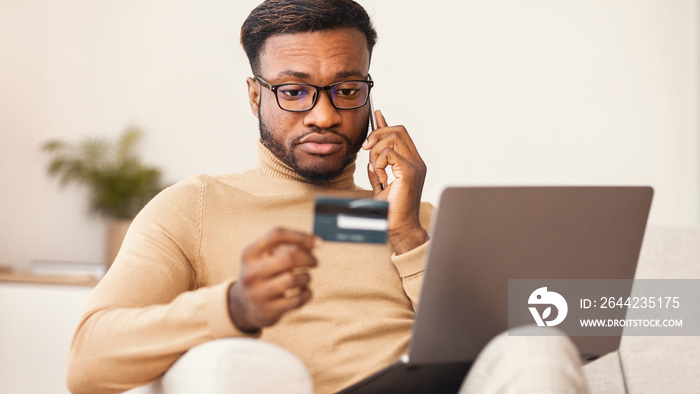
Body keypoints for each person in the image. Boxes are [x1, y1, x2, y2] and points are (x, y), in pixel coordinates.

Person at [66, 1, 587, 393]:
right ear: (255, 96)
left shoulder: (414, 218)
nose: (325, 114)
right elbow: (88, 360)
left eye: (348, 89)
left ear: (369, 94)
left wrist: (407, 235)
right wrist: (234, 306)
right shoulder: (195, 207)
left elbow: (482, 358)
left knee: (536, 345)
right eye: (294, 91)